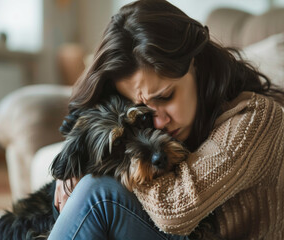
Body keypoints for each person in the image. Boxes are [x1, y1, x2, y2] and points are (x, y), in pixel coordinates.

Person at [48, 0, 284, 239]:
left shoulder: (256, 118)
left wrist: (107, 166)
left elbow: (174, 212)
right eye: (143, 110)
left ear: (195, 62)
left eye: (165, 96)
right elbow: (87, 112)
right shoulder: (173, 120)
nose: (158, 123)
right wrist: (70, 167)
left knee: (97, 195)